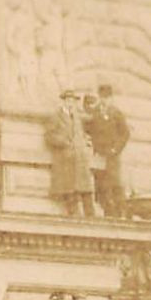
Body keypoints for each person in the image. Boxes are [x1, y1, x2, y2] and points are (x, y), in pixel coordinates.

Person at [45, 88, 97, 217]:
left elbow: (81, 134)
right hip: (65, 160)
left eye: (73, 101)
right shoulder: (56, 116)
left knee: (86, 189)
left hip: (79, 159)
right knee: (70, 191)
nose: (70, 103)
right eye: (68, 100)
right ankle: (75, 216)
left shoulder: (77, 117)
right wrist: (64, 141)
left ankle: (91, 217)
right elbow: (49, 135)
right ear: (63, 101)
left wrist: (85, 142)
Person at [86, 84, 130, 217]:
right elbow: (88, 129)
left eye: (107, 97)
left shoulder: (116, 114)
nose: (104, 100)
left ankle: (120, 212)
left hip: (112, 155)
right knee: (100, 183)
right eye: (102, 97)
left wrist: (115, 149)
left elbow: (125, 134)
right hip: (98, 154)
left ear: (111, 98)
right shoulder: (94, 113)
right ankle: (107, 211)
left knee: (114, 183)